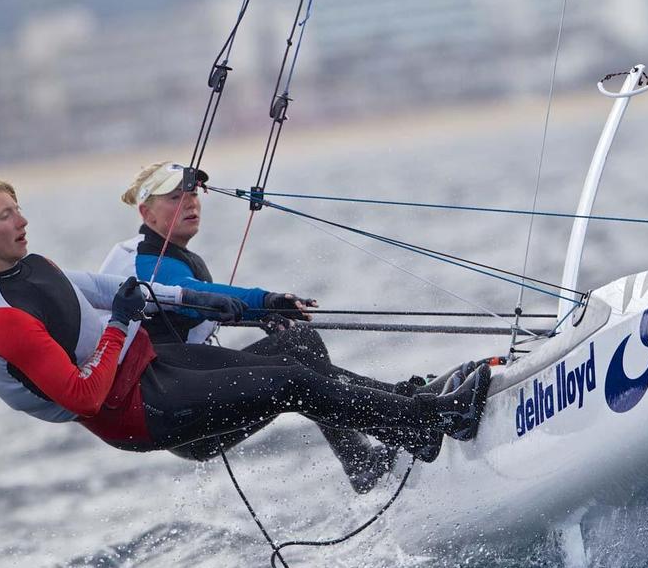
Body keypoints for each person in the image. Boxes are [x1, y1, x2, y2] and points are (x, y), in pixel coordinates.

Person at [0, 173, 491, 473]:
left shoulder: (32, 265)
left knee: (297, 349)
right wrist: (119, 328)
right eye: (6, 215)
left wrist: (238, 304)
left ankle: (408, 417)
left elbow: (105, 290)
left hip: (154, 367)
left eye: (19, 208)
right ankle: (426, 423)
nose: (24, 220)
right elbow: (83, 398)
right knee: (290, 382)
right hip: (136, 411)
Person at [101, 161, 473, 491]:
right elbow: (191, 296)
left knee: (297, 344)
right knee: (293, 369)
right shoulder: (142, 261)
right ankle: (410, 418)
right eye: (176, 197)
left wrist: (264, 314)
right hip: (182, 415)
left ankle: (379, 439)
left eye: (193, 193)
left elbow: (192, 310)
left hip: (189, 394)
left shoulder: (167, 255)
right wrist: (262, 301)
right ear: (147, 213)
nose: (192, 201)